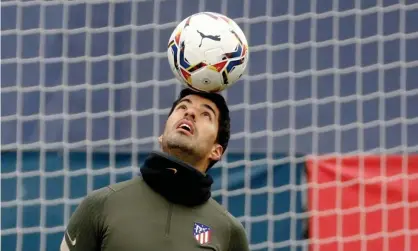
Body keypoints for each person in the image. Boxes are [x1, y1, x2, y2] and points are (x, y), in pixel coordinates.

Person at [60, 88, 250, 251]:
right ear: (162, 135)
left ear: (216, 151)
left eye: (206, 114)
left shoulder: (229, 231)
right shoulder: (100, 205)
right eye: (183, 107)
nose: (190, 113)